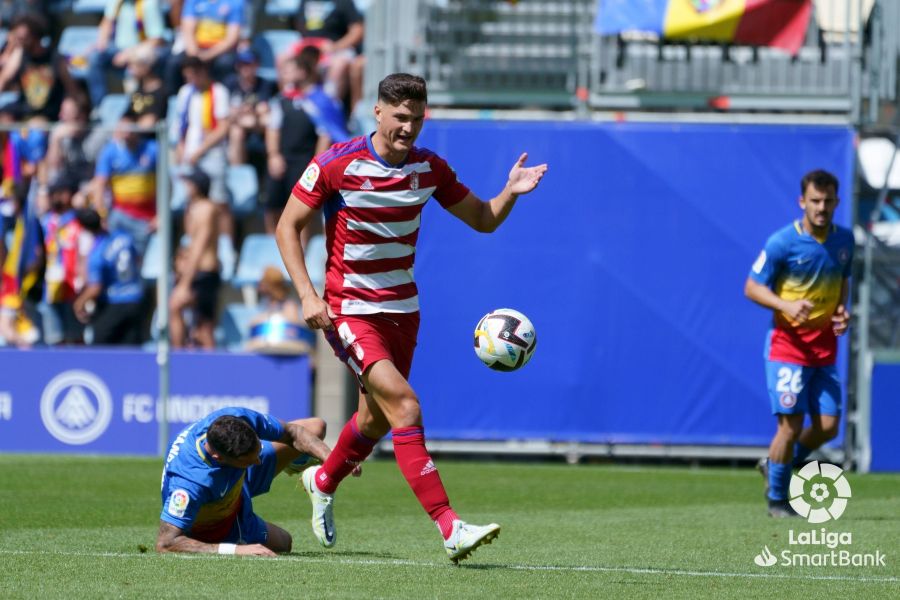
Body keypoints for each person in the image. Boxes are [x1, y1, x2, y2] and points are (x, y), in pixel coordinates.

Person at [275, 73, 547, 563]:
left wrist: (510, 191)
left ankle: (322, 478)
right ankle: (450, 527)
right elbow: (286, 227)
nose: (408, 128)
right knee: (405, 406)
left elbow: (483, 219)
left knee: (374, 418)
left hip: (403, 311)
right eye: (400, 117)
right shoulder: (336, 163)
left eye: (417, 119)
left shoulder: (428, 168)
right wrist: (307, 296)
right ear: (377, 112)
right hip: (349, 310)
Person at [744, 169, 854, 518]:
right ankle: (777, 500)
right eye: (815, 201)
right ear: (802, 201)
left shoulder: (845, 241)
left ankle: (774, 463)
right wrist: (786, 305)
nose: (822, 207)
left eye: (828, 201)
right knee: (789, 426)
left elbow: (842, 282)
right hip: (788, 349)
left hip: (824, 350)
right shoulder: (782, 242)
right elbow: (752, 287)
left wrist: (842, 313)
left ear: (837, 202)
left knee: (828, 427)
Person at [156, 406, 341, 556]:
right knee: (284, 542)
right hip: (218, 524)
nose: (258, 461)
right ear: (219, 458)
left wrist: (334, 463)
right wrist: (235, 550)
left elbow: (293, 432)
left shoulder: (235, 418)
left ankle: (306, 473)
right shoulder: (189, 484)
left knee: (315, 428)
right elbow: (165, 543)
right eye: (250, 460)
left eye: (258, 451)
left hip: (237, 478)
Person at [264, 52, 332, 234]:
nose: (283, 74)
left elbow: (325, 134)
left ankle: (299, 252)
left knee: (302, 209)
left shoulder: (319, 100)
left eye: (289, 70)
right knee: (272, 206)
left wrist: (316, 164)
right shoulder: (282, 100)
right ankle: (275, 249)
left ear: (302, 72)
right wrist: (273, 155)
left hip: (305, 162)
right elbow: (272, 128)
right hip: (282, 159)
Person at [171, 56, 232, 238]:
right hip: (190, 155)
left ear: (203, 72)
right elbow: (181, 125)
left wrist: (201, 149)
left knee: (219, 201)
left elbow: (223, 127)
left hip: (212, 154)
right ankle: (192, 243)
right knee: (191, 203)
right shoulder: (185, 92)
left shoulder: (218, 91)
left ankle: (225, 246)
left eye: (193, 76)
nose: (190, 81)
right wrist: (181, 149)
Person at [73, 208, 144, 345]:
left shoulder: (97, 253)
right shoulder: (124, 237)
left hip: (116, 300)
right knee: (131, 345)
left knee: (100, 342)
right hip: (136, 298)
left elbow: (95, 288)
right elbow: (137, 259)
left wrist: (79, 303)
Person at [92, 113, 159, 256]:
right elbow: (99, 186)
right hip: (120, 214)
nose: (126, 131)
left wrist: (161, 216)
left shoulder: (152, 150)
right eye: (122, 127)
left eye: (129, 127)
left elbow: (166, 185)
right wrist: (102, 215)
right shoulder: (110, 152)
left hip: (146, 218)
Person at [169, 168, 219, 349]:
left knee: (202, 326)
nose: (185, 187)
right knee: (200, 327)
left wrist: (184, 284)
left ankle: (179, 356)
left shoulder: (206, 209)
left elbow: (199, 247)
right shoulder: (192, 209)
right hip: (195, 272)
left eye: (189, 183)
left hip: (204, 273)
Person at [87, 0, 166, 108]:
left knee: (138, 60)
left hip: (141, 49)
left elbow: (157, 39)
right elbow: (107, 22)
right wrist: (101, 42)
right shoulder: (117, 2)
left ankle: (137, 107)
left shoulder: (149, 3)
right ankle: (99, 107)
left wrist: (129, 54)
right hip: (118, 49)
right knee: (95, 57)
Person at [224, 46, 275, 166]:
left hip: (256, 124)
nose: (246, 68)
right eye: (243, 64)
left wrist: (243, 111)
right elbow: (226, 111)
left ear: (257, 65)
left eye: (250, 64)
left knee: (267, 120)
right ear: (237, 66)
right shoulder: (230, 83)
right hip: (237, 124)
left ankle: (271, 160)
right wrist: (247, 111)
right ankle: (238, 172)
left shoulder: (264, 83)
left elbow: (264, 108)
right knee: (237, 131)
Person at [245, 265, 312, 354]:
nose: (259, 285)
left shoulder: (289, 306)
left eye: (263, 282)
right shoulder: (264, 304)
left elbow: (293, 329)